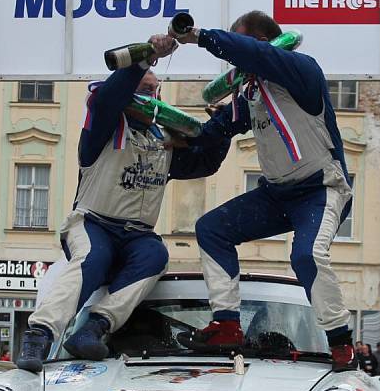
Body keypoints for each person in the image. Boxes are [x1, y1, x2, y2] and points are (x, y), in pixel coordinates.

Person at [16, 35, 231, 373]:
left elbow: (203, 164)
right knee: (94, 257)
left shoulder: (162, 142)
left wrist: (223, 129)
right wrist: (145, 59)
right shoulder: (103, 129)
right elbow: (107, 100)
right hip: (94, 223)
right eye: (144, 89)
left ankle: (95, 327)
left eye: (156, 91)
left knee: (157, 256)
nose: (152, 97)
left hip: (137, 235)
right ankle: (39, 335)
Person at [173, 11, 355, 364]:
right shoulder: (252, 94)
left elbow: (258, 56)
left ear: (258, 42)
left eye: (238, 43)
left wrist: (199, 35)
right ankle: (226, 325)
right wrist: (172, 139)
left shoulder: (301, 69)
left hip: (320, 189)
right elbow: (216, 130)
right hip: (277, 195)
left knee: (306, 255)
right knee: (211, 229)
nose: (235, 58)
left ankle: (341, 342)